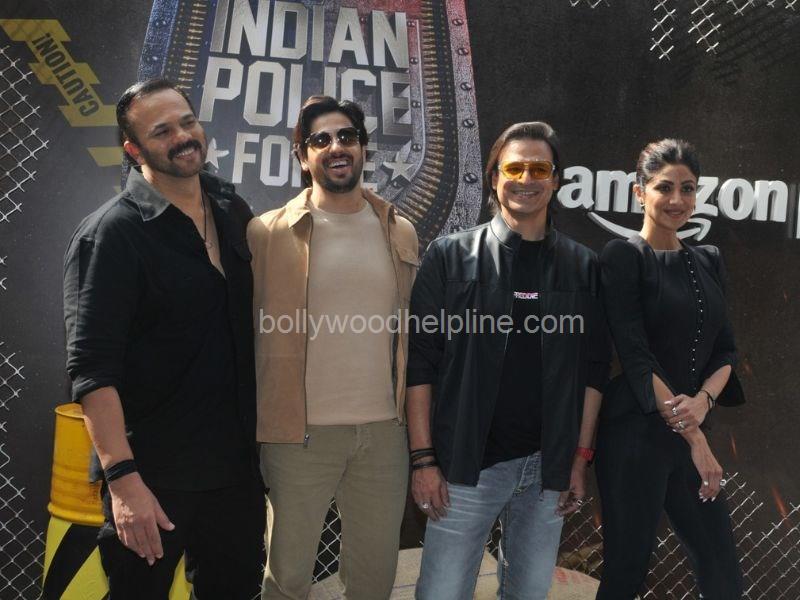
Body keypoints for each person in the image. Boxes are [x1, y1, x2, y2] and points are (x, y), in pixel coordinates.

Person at [63, 78, 265, 599]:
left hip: (235, 476)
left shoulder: (231, 209)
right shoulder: (111, 234)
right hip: (153, 478)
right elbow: (92, 371)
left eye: (187, 122)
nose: (182, 137)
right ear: (133, 149)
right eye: (161, 131)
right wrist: (124, 482)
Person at [406, 121, 610, 600]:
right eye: (514, 168)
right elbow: (420, 366)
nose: (526, 179)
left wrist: (578, 458)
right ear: (494, 177)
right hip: (464, 468)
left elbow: (594, 371)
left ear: (555, 180)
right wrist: (423, 460)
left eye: (539, 169)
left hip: (547, 470)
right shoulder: (449, 256)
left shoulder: (583, 266)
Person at [247, 95, 419, 600]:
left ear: (364, 148)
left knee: (373, 583)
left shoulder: (400, 230)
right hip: (297, 437)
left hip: (384, 436)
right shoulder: (267, 232)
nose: (335, 146)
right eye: (320, 139)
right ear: (303, 157)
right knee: (287, 581)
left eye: (347, 136)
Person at [596, 138, 745, 599]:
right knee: (627, 571)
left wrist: (703, 402)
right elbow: (636, 356)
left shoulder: (708, 259)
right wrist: (696, 437)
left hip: (689, 428)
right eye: (664, 187)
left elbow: (726, 352)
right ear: (640, 192)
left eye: (688, 188)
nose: (677, 199)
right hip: (635, 436)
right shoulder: (623, 256)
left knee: (722, 571)